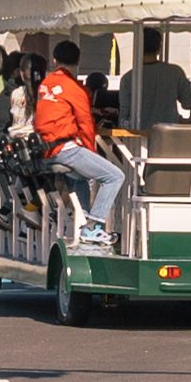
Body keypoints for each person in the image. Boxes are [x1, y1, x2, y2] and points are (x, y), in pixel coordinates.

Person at [36, 40, 126, 249]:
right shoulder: (75, 88)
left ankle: (83, 222)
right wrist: (91, 150)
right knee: (115, 176)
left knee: (81, 179)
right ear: (78, 61)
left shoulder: (45, 83)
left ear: (54, 60)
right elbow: (86, 123)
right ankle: (93, 226)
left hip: (47, 150)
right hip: (66, 149)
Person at [117, 28, 191, 130]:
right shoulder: (175, 72)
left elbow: (124, 117)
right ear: (160, 47)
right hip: (168, 137)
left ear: (137, 47)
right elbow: (188, 102)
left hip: (139, 139)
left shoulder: (128, 78)